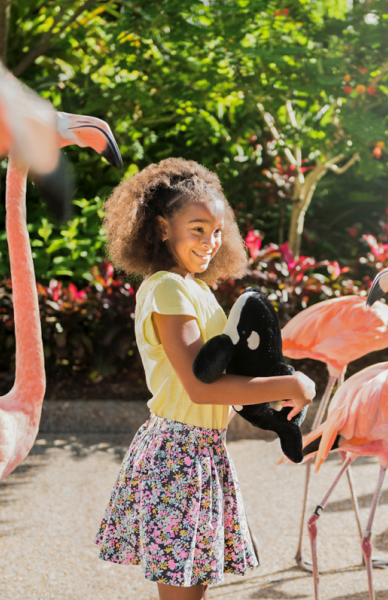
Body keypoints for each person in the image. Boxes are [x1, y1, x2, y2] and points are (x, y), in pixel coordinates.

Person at [94, 158, 315, 600]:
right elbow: (200, 386)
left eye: (217, 231)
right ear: (160, 228)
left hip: (199, 448)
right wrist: (291, 386)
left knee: (192, 588)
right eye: (197, 229)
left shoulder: (194, 287)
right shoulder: (167, 289)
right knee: (183, 593)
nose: (211, 242)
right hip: (178, 453)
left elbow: (225, 374)